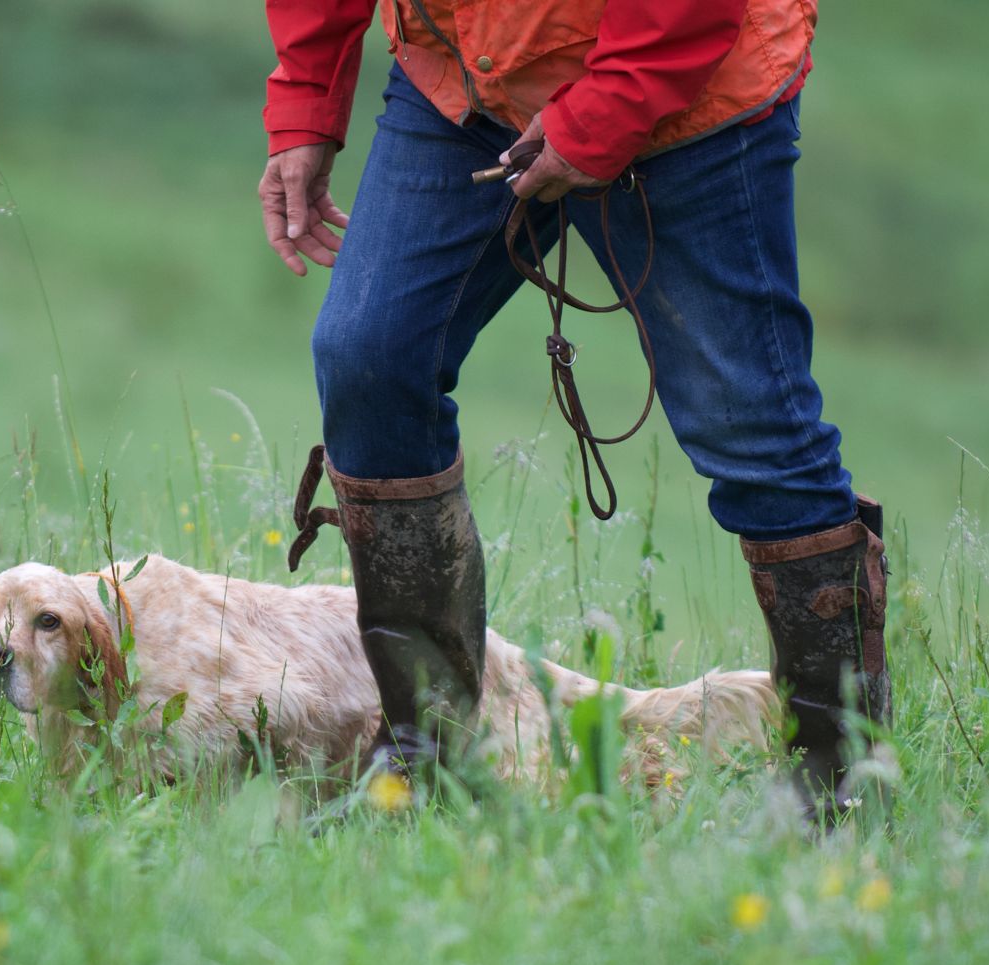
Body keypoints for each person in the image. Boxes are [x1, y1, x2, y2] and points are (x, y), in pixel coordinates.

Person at [258, 0, 888, 813]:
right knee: (370, 357)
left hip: (688, 91)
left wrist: (604, 112)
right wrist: (307, 98)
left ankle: (840, 790)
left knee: (753, 428)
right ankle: (428, 766)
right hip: (465, 85)